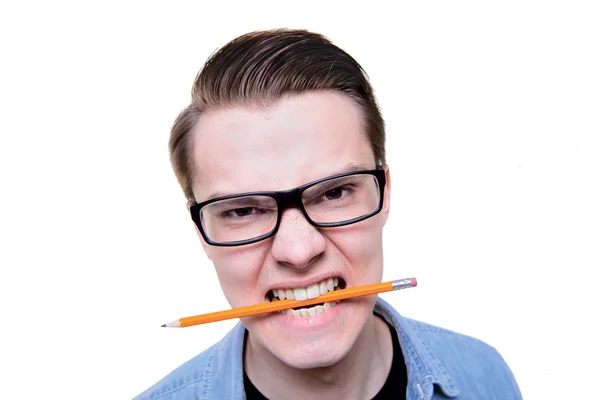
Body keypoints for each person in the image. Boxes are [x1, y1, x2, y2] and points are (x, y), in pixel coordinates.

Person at [135, 29, 522, 400]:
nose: (299, 251)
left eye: (334, 193)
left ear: (384, 191)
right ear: (201, 231)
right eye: (243, 210)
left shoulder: (484, 376)